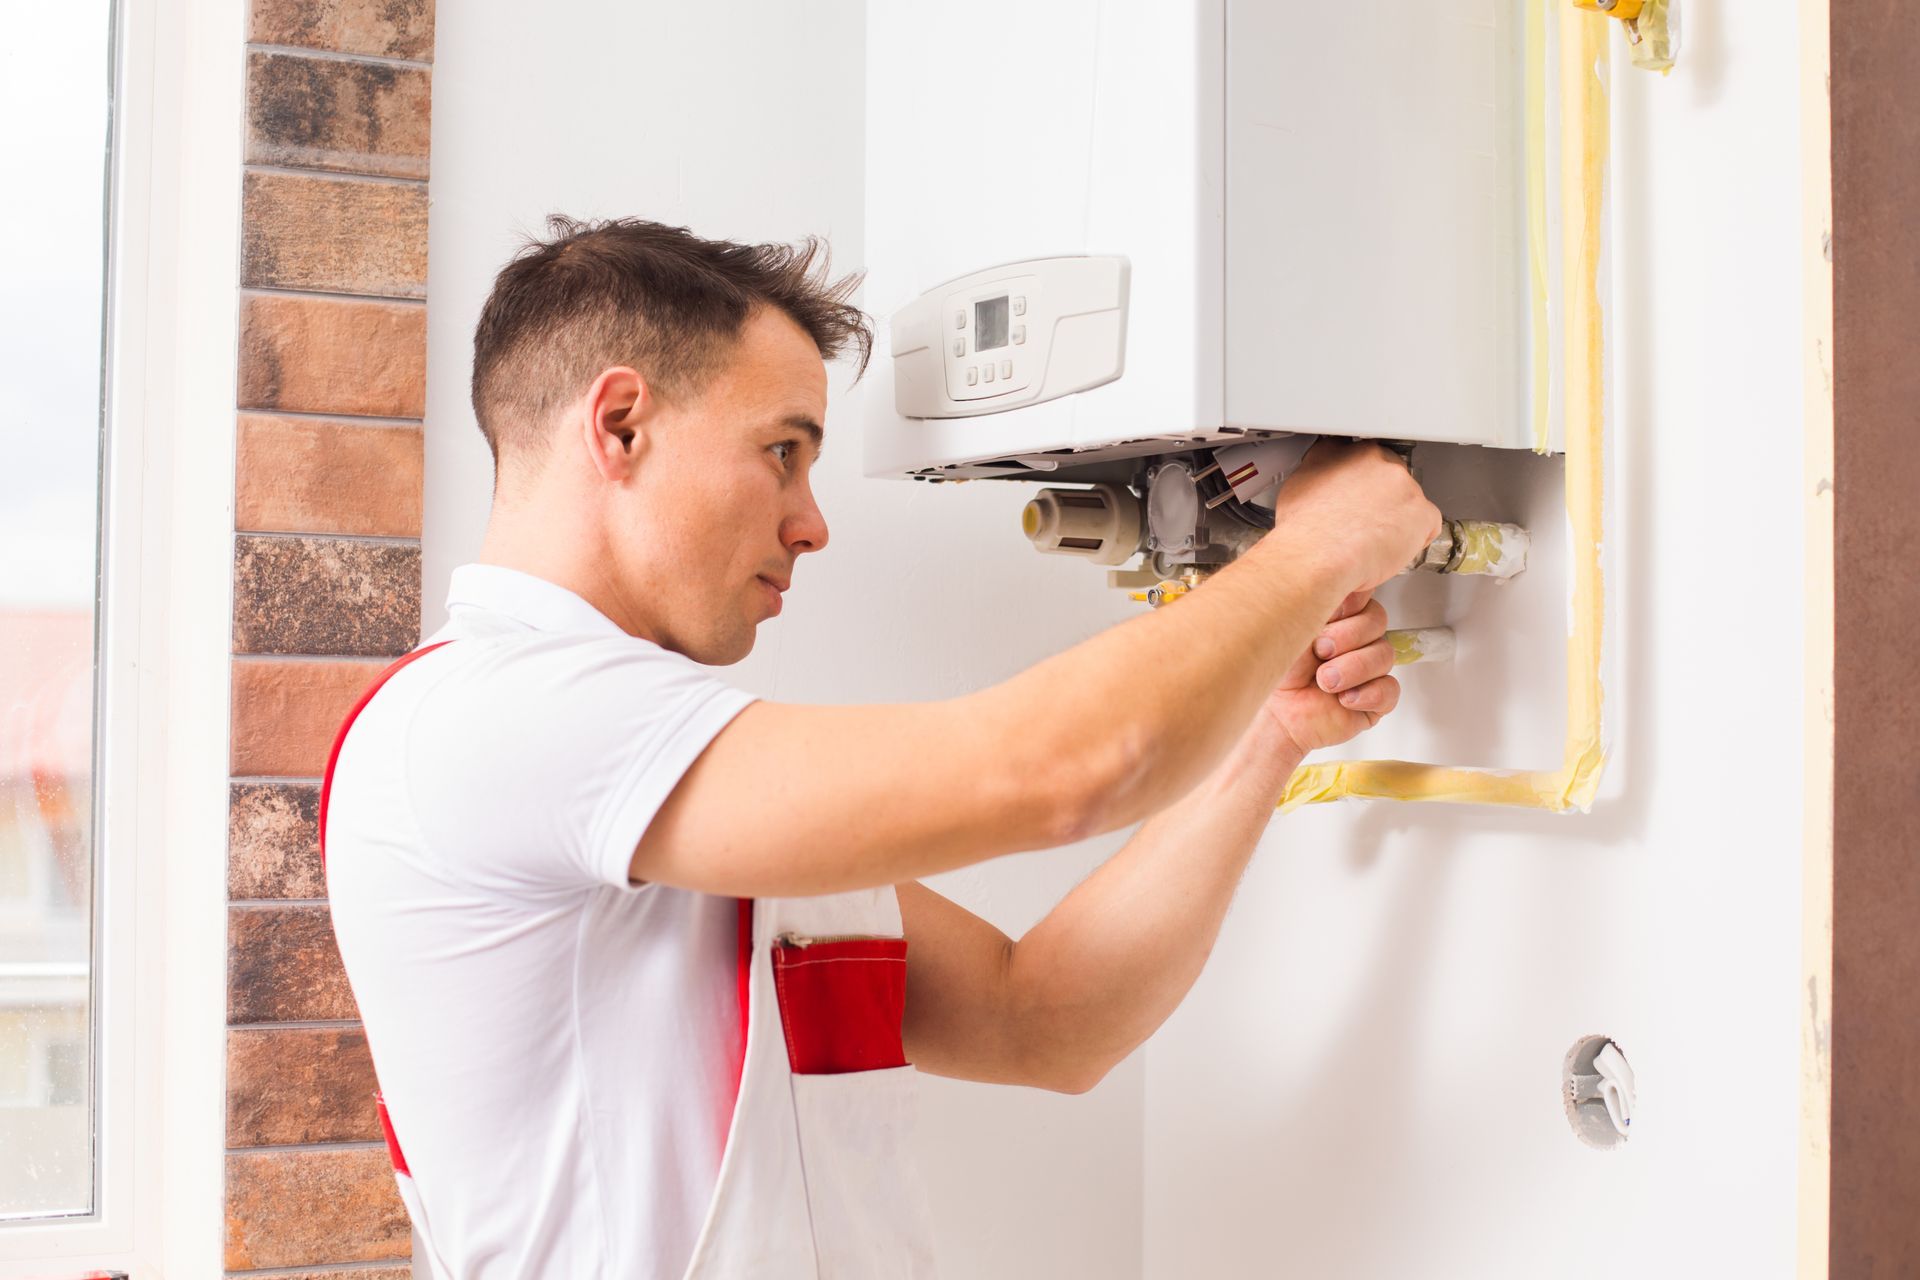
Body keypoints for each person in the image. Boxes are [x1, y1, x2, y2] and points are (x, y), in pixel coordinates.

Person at [324, 216, 1441, 1279]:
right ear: (619, 425)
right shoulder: (490, 718)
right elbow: (1061, 769)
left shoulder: (657, 791)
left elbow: (1045, 1016)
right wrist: (1321, 545)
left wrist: (1268, 736)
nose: (813, 521)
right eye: (781, 451)